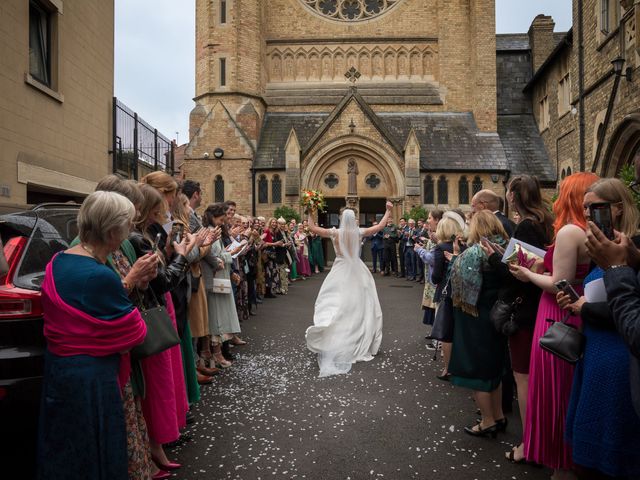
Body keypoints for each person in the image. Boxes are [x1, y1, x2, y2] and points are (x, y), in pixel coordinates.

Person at [37, 191, 148, 480]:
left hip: (59, 371)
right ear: (112, 230)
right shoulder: (100, 275)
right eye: (127, 225)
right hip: (92, 378)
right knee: (95, 448)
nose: (129, 232)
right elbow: (135, 330)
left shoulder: (58, 260)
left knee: (64, 445)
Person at [509, 172, 599, 478]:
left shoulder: (569, 232)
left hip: (556, 313)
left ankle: (562, 463)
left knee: (557, 390)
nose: (557, 197)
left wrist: (528, 274)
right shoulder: (593, 231)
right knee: (572, 387)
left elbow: (559, 283)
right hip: (580, 307)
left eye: (563, 192)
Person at [558, 178, 640, 479]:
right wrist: (577, 299)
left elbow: (629, 306)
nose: (590, 215)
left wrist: (586, 308)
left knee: (613, 456)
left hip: (619, 360)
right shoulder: (604, 248)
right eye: (586, 209)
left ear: (617, 209)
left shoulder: (631, 248)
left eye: (596, 208)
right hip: (596, 354)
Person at [497, 175, 553, 464]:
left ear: (514, 196)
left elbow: (516, 271)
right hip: (545, 307)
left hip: (526, 312)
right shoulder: (547, 221)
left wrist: (500, 258)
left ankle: (530, 444)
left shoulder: (525, 225)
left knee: (524, 379)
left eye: (508, 191)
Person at [305, 201, 393, 377]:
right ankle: (357, 337)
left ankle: (333, 334)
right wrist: (388, 211)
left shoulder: (335, 232)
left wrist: (310, 211)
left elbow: (312, 228)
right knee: (360, 305)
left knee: (336, 303)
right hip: (357, 270)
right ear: (354, 220)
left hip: (339, 268)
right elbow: (381, 226)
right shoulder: (359, 232)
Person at [447, 211, 509, 438]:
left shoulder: (476, 251)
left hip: (476, 316)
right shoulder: (505, 247)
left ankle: (487, 420)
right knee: (494, 367)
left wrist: (455, 259)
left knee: (478, 370)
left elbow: (460, 282)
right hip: (497, 316)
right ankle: (499, 415)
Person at [421, 212, 465, 379]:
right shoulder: (463, 246)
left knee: (447, 331)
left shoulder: (440, 248)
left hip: (446, 291)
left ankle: (448, 368)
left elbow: (436, 276)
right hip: (462, 293)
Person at [201, 204, 243, 368]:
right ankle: (215, 353)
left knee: (217, 315)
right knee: (216, 317)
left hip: (220, 277)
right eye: (220, 219)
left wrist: (226, 254)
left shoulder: (215, 232)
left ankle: (211, 353)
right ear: (212, 217)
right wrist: (230, 254)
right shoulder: (210, 231)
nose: (222, 222)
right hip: (214, 279)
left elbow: (217, 253)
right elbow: (214, 256)